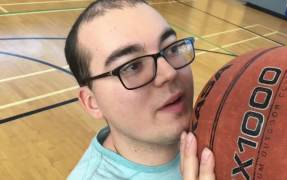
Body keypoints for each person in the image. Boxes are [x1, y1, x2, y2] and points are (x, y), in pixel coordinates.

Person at [64, 0, 215, 179]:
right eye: (133, 66)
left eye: (172, 48)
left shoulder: (226, 127)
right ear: (93, 103)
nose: (169, 72)